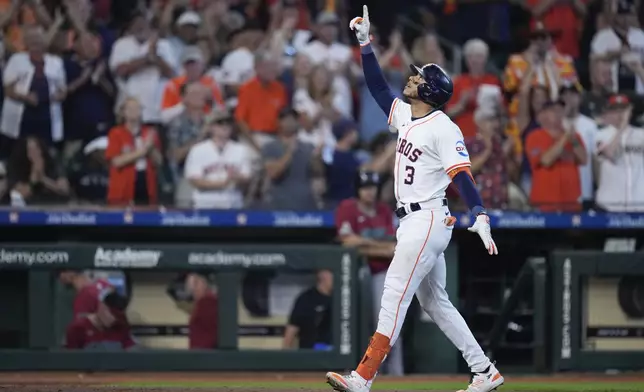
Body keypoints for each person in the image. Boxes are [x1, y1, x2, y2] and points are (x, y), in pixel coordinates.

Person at [325, 7, 503, 392]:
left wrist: (480, 213)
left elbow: (462, 175)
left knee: (394, 293)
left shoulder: (443, 126)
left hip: (427, 219)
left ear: (429, 91)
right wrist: (365, 44)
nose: (410, 77)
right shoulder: (408, 116)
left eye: (418, 76)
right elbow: (376, 88)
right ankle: (485, 370)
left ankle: (364, 376)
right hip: (414, 220)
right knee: (435, 303)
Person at [335, 171, 402, 375]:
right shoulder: (347, 208)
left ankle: (396, 374)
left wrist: (364, 244)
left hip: (382, 274)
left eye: (372, 187)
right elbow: (347, 241)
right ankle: (359, 372)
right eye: (365, 188)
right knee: (354, 326)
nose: (369, 192)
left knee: (387, 324)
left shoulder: (383, 210)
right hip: (352, 277)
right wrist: (377, 247)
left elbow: (394, 247)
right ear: (358, 190)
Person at [524, 100, 587, 212]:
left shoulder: (574, 136)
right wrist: (565, 138)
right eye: (554, 111)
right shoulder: (534, 136)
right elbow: (546, 160)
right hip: (544, 204)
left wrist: (574, 141)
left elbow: (584, 159)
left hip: (571, 204)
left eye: (560, 110)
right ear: (543, 115)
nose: (559, 114)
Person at [184, 109, 253, 209]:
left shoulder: (241, 149)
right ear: (211, 127)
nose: (225, 126)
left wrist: (237, 178)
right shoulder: (198, 150)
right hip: (205, 203)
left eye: (228, 123)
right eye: (220, 123)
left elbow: (247, 177)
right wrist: (223, 184)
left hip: (232, 203)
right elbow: (195, 180)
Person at [594, 94, 644, 211]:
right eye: (615, 110)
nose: (620, 114)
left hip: (639, 205)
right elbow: (611, 154)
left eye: (623, 110)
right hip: (610, 206)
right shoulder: (601, 134)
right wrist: (622, 127)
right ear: (608, 113)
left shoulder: (641, 134)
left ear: (630, 112)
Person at [283, 269, 333, 350]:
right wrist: (285, 358)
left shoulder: (344, 299)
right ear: (321, 274)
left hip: (336, 357)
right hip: (311, 356)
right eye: (331, 273)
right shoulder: (306, 299)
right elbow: (291, 330)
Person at [185, 272, 218, 349]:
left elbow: (211, 334)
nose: (193, 288)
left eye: (196, 283)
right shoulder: (201, 302)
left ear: (204, 283)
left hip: (204, 353)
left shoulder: (208, 301)